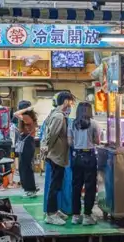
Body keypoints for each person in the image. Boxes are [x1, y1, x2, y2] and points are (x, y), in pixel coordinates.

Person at [42, 91, 76, 225]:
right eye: (70, 101)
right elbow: (52, 135)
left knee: (57, 184)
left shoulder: (55, 114)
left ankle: (55, 210)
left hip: (58, 155)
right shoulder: (58, 117)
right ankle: (50, 214)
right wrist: (47, 149)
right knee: (54, 186)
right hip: (56, 156)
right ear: (66, 101)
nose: (71, 105)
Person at [68, 101, 101, 225]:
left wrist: (78, 142)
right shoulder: (94, 123)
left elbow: (69, 142)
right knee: (90, 187)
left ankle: (76, 216)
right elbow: (97, 141)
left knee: (76, 186)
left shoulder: (72, 124)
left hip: (76, 156)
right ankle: (87, 216)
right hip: (90, 156)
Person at [13, 100, 39, 197]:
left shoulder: (26, 117)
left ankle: (30, 189)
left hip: (27, 144)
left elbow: (15, 114)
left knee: (26, 168)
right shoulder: (29, 117)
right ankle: (29, 188)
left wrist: (26, 109)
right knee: (24, 167)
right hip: (27, 143)